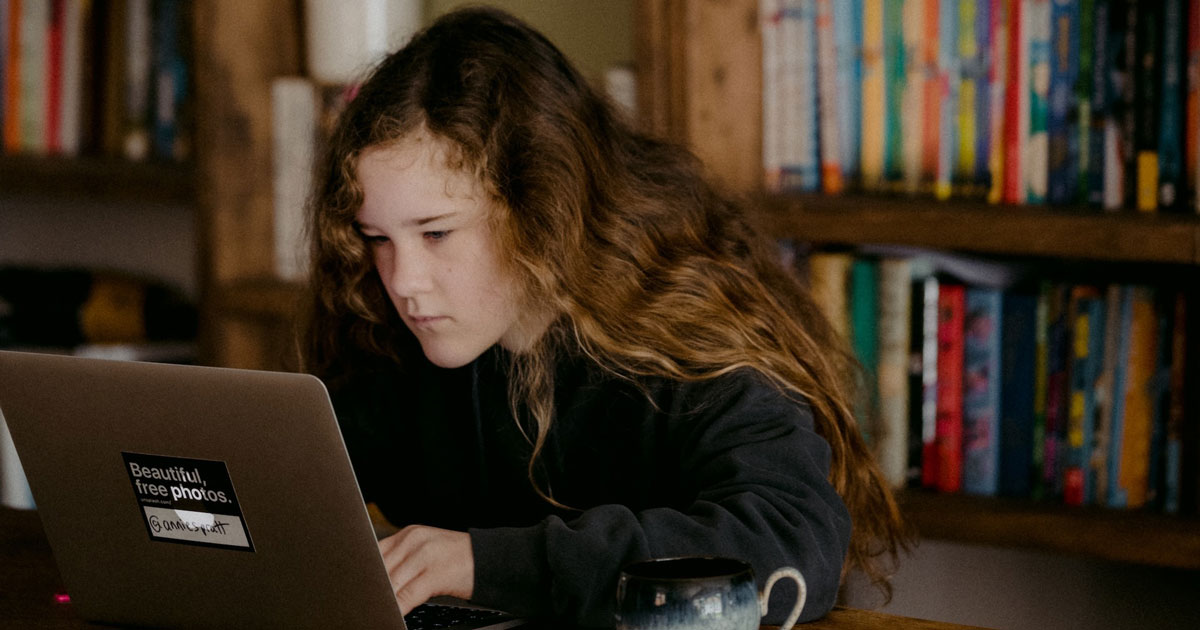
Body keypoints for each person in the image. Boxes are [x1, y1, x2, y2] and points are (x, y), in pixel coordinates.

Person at [302, 6, 908, 627]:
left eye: (436, 233)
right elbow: (268, 500)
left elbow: (791, 543)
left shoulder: (687, 333)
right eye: (377, 237)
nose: (402, 280)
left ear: (540, 204)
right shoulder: (392, 339)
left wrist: (482, 563)